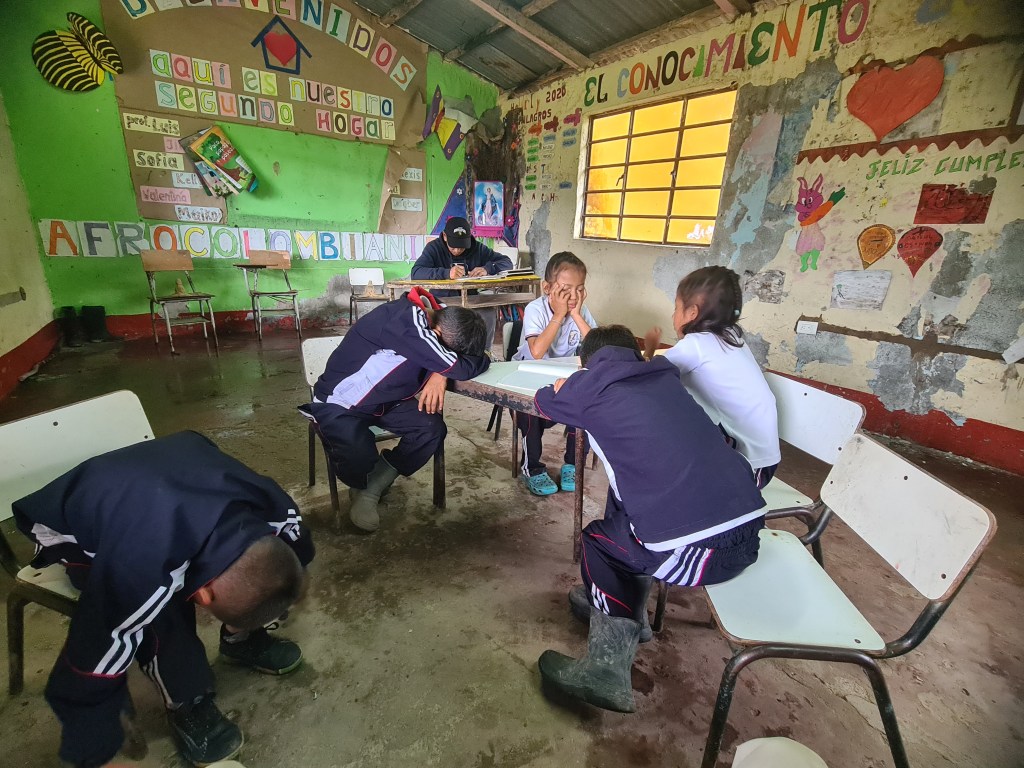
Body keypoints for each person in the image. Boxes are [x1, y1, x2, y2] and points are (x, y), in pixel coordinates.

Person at [11, 431, 314, 768]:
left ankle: (239, 640)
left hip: (152, 480)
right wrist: (98, 738)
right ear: (203, 595)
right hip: (64, 520)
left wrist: (294, 582)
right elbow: (95, 651)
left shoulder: (271, 504)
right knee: (162, 611)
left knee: (263, 577)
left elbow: (295, 544)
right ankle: (187, 698)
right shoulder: (140, 567)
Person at [534, 326, 766, 713]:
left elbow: (543, 401)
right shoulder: (664, 376)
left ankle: (605, 672)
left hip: (699, 552)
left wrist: (564, 385)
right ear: (636, 354)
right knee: (630, 516)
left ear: (584, 363)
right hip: (750, 529)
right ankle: (631, 617)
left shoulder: (588, 386)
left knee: (599, 544)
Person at [301, 287, 490, 533]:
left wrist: (440, 373)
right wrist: (446, 366)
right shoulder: (405, 322)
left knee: (431, 428)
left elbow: (478, 356)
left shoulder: (445, 316)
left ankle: (373, 485)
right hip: (341, 402)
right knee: (357, 454)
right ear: (437, 333)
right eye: (446, 351)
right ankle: (361, 484)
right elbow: (462, 367)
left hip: (387, 399)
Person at [644, 266, 780, 489]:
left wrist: (649, 349)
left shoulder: (697, 344)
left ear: (692, 313)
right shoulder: (732, 337)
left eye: (676, 307)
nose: (673, 315)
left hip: (745, 468)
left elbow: (646, 378)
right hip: (763, 461)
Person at [513, 251, 595, 496]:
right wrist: (559, 315)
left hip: (561, 382)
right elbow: (537, 352)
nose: (573, 296)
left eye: (580, 289)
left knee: (586, 404)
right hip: (527, 379)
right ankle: (532, 468)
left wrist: (576, 315)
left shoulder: (581, 311)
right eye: (565, 289)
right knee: (529, 412)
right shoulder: (536, 309)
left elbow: (598, 349)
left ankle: (573, 464)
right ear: (547, 288)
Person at [410, 216, 513, 350]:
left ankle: (484, 353)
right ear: (445, 236)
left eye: (462, 247)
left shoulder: (477, 248)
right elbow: (416, 272)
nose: (457, 251)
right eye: (453, 247)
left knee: (488, 313)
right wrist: (446, 273)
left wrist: (488, 269)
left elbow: (507, 262)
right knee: (449, 323)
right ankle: (445, 355)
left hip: (471, 300)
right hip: (442, 301)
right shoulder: (434, 248)